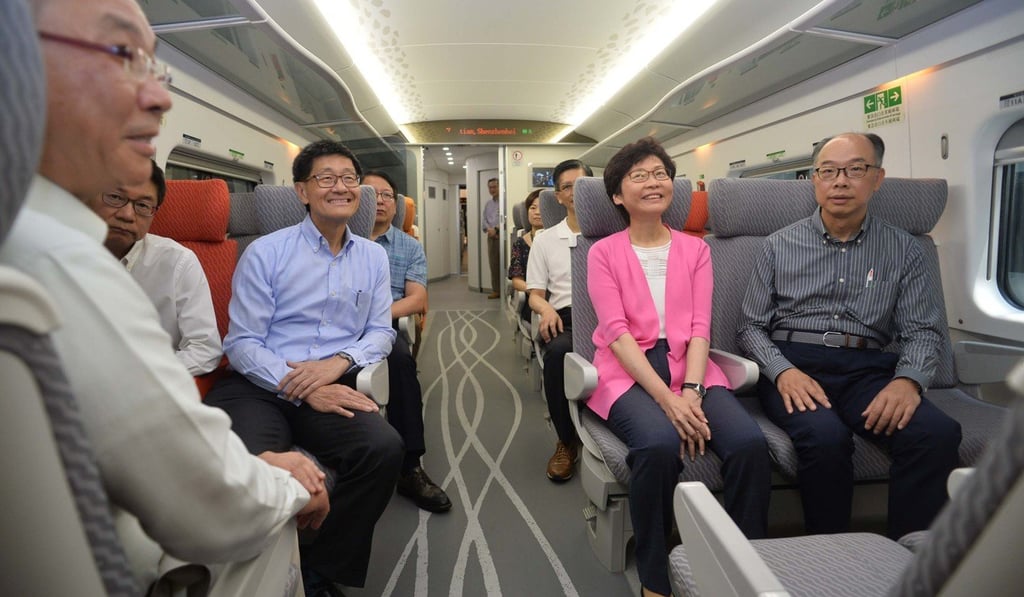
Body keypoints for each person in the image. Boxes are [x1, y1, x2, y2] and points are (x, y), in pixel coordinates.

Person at [0, 0, 330, 594]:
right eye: (123, 54)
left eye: (157, 69)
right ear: (15, 60)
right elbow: (211, 506)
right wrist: (293, 484)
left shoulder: (31, 242)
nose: (159, 98)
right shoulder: (62, 266)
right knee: (275, 520)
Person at [203, 140, 404, 596]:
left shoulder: (373, 256)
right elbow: (242, 343)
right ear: (302, 191)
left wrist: (338, 363)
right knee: (251, 465)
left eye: (349, 178)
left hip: (329, 382)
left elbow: (380, 332)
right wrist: (302, 386)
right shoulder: (266, 252)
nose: (340, 187)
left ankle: (319, 568)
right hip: (258, 385)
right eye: (325, 178)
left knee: (384, 448)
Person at [737, 132, 962, 538]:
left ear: (877, 178)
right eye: (829, 171)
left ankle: (911, 558)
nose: (840, 181)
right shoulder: (777, 245)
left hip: (867, 371)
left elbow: (923, 329)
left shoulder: (905, 249)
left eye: (855, 170)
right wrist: (781, 371)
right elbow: (750, 326)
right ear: (814, 180)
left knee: (936, 433)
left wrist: (909, 381)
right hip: (795, 364)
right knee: (825, 440)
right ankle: (834, 554)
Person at [588, 138, 770, 597]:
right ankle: (655, 575)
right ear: (616, 195)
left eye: (660, 174)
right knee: (657, 443)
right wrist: (667, 399)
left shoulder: (697, 250)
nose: (654, 183)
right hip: (628, 369)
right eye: (639, 176)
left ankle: (745, 563)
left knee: (749, 444)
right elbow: (616, 333)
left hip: (692, 364)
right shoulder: (602, 252)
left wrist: (690, 389)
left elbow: (701, 326)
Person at [364, 169, 452, 513]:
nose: (380, 201)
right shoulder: (337, 237)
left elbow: (416, 300)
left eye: (387, 195)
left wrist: (373, 317)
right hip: (331, 328)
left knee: (401, 362)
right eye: (371, 194)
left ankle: (410, 467)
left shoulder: (408, 245)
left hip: (383, 325)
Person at [88, 159, 222, 376]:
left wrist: (140, 374)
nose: (127, 215)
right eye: (115, 197)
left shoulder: (178, 262)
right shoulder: (58, 253)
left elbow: (204, 348)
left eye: (142, 205)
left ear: (154, 212)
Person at [526, 158, 593, 481]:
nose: (575, 193)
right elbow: (534, 294)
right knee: (557, 353)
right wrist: (546, 308)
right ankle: (566, 440)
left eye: (581, 185)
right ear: (558, 196)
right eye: (567, 187)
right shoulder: (545, 239)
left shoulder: (613, 234)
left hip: (607, 316)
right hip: (564, 316)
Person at [507, 189, 543, 323]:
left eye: (542, 208)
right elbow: (517, 281)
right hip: (533, 297)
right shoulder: (520, 243)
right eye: (533, 208)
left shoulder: (558, 239)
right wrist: (536, 291)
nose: (537, 212)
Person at [482, 176, 501, 298]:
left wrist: (497, 229)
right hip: (491, 238)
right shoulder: (488, 204)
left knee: (503, 264)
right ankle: (496, 290)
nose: (492, 189)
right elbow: (484, 220)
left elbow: (506, 218)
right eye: (490, 187)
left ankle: (505, 290)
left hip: (501, 237)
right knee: (493, 265)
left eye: (494, 187)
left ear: (499, 187)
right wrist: (489, 229)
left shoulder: (504, 201)